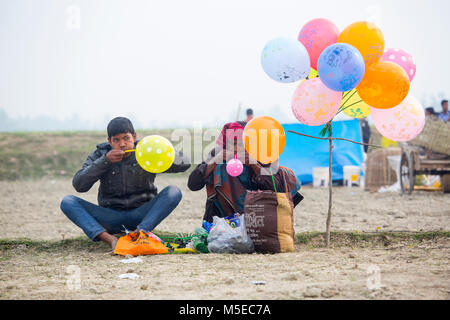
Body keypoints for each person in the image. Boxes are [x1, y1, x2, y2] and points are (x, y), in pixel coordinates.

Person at [60, 117, 191, 251]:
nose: (122, 144)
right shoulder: (100, 154)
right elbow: (79, 185)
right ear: (109, 141)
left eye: (126, 138)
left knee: (174, 191)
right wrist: (105, 161)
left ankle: (140, 234)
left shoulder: (146, 150)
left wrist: (160, 150)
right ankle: (110, 240)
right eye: (116, 140)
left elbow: (185, 163)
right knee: (68, 201)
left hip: (142, 214)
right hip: (111, 216)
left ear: (134, 137)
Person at [187, 121, 303, 224]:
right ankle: (232, 221)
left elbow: (275, 187)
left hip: (258, 213)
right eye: (232, 143)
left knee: (283, 172)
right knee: (220, 168)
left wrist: (254, 165)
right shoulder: (218, 154)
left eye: (241, 143)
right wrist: (213, 162)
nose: (236, 148)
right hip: (223, 218)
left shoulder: (259, 153)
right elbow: (193, 184)